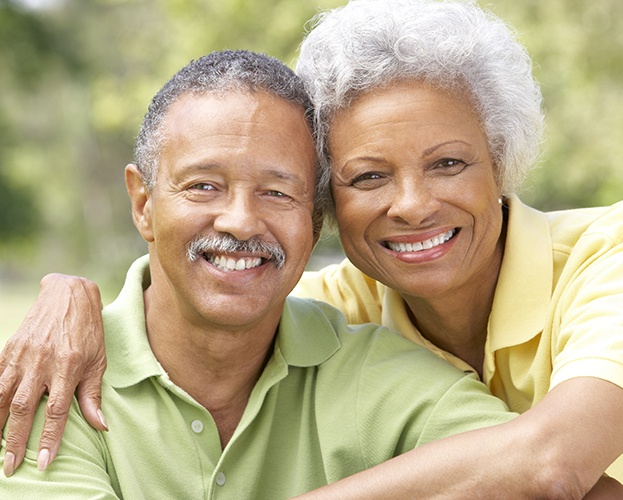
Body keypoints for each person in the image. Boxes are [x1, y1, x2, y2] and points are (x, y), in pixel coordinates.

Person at [2, 0, 623, 497]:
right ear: (327, 205)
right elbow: (216, 285)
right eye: (370, 176)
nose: (410, 205)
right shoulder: (332, 308)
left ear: (501, 164)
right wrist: (67, 295)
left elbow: (554, 465)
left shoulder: (608, 256)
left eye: (449, 163)